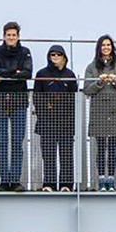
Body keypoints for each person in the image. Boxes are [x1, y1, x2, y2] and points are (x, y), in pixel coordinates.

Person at [0, 22, 33, 191]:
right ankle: (4, 180)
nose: (11, 38)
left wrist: (3, 74)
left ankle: (14, 180)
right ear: (4, 36)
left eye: (14, 35)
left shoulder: (25, 52)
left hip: (19, 102)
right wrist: (15, 73)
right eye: (8, 35)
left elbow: (28, 74)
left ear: (18, 36)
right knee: (1, 142)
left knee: (16, 141)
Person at [84, 35, 116, 191]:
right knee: (100, 145)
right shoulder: (92, 67)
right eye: (103, 45)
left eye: (108, 45)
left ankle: (111, 181)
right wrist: (99, 82)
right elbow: (86, 89)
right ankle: (100, 182)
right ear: (99, 48)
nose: (106, 48)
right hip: (99, 110)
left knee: (112, 146)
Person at [34, 45, 76, 191]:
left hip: (66, 123)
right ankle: (49, 184)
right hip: (47, 123)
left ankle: (66, 185)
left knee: (66, 155)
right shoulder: (41, 74)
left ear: (64, 57)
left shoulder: (70, 75)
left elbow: (74, 100)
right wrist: (46, 108)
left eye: (59, 54)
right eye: (53, 55)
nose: (56, 57)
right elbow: (36, 98)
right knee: (49, 155)